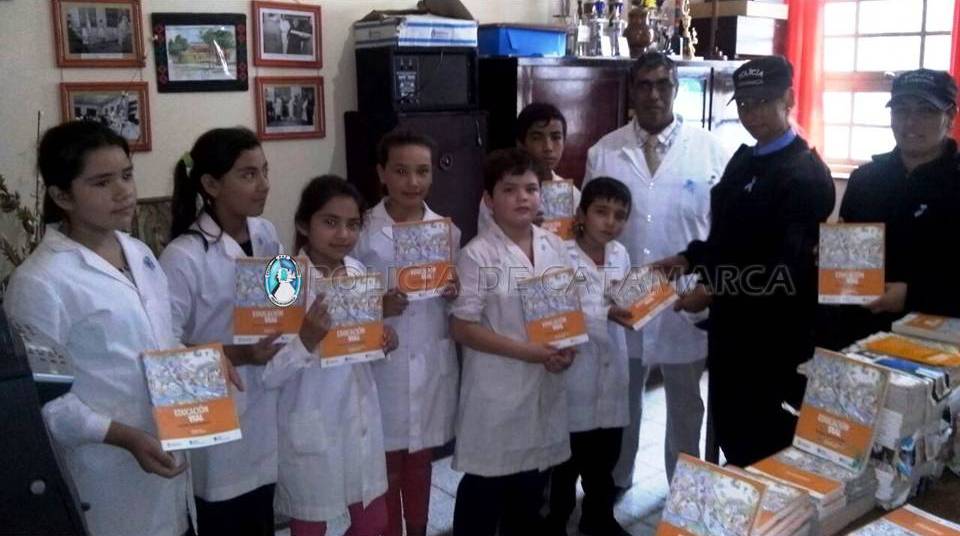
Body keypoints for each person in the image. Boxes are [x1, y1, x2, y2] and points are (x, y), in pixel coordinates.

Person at [4, 121, 193, 536]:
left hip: (168, 458)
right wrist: (125, 437)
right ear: (61, 196)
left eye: (126, 175)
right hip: (105, 476)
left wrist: (201, 366)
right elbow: (45, 401)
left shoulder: (140, 253)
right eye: (102, 182)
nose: (123, 191)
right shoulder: (40, 281)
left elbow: (163, 341)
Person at [655, 55, 835, 467]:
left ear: (789, 99)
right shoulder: (743, 161)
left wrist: (714, 291)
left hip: (775, 338)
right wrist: (686, 259)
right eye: (744, 104)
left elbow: (785, 271)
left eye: (763, 102)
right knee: (731, 431)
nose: (752, 114)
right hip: (730, 333)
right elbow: (725, 241)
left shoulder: (805, 174)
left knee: (766, 446)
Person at [585, 51, 731, 487]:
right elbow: (589, 230)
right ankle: (618, 480)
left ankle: (683, 490)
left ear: (676, 88)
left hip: (685, 300)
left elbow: (722, 231)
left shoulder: (711, 151)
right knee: (622, 402)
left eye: (663, 84)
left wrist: (711, 285)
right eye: (644, 85)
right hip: (624, 301)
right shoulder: (604, 151)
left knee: (685, 406)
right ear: (631, 90)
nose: (653, 95)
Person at [160, 127, 283, 536]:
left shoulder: (265, 233)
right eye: (248, 175)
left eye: (264, 171)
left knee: (261, 514)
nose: (263, 184)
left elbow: (282, 300)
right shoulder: (183, 256)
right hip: (215, 421)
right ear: (211, 185)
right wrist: (240, 354)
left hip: (266, 406)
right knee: (224, 518)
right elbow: (166, 348)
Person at [263, 175, 399, 536]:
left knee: (373, 523)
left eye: (352, 224)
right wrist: (304, 341)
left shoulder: (358, 273)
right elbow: (267, 373)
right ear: (303, 225)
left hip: (361, 421)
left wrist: (383, 340)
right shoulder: (283, 280)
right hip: (311, 422)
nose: (343, 234)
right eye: (330, 222)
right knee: (312, 526)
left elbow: (361, 350)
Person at [450, 148, 576, 536]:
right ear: (489, 199)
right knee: (484, 491)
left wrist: (567, 349)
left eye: (531, 189)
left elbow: (565, 311)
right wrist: (529, 353)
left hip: (543, 386)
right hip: (496, 392)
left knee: (529, 492)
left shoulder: (555, 245)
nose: (522, 197)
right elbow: (462, 327)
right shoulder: (477, 255)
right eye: (509, 189)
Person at [352, 130, 461, 536]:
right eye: (400, 171)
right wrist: (375, 306)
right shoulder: (361, 231)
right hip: (382, 366)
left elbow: (455, 301)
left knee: (420, 461)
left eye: (422, 171)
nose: (413, 182)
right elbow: (338, 293)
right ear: (382, 173)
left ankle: (418, 529)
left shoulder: (446, 232)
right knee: (386, 465)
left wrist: (454, 291)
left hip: (429, 363)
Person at [817, 69, 960, 351]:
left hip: (935, 350)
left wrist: (911, 295)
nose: (910, 122)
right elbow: (845, 271)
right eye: (901, 110)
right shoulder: (865, 179)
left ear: (951, 116)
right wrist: (831, 257)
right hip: (856, 339)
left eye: (926, 111)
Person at [545, 177, 634, 536]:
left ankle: (598, 518)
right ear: (581, 215)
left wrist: (645, 304)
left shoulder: (620, 255)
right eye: (601, 212)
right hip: (574, 370)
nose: (610, 222)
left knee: (604, 460)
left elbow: (625, 299)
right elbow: (557, 309)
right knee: (565, 463)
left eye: (619, 215)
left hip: (612, 372)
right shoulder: (558, 254)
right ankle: (556, 521)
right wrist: (605, 313)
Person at [477, 103, 580, 235]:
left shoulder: (572, 195)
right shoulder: (499, 194)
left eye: (556, 137)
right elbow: (485, 242)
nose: (548, 147)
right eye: (537, 138)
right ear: (521, 144)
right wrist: (519, 228)